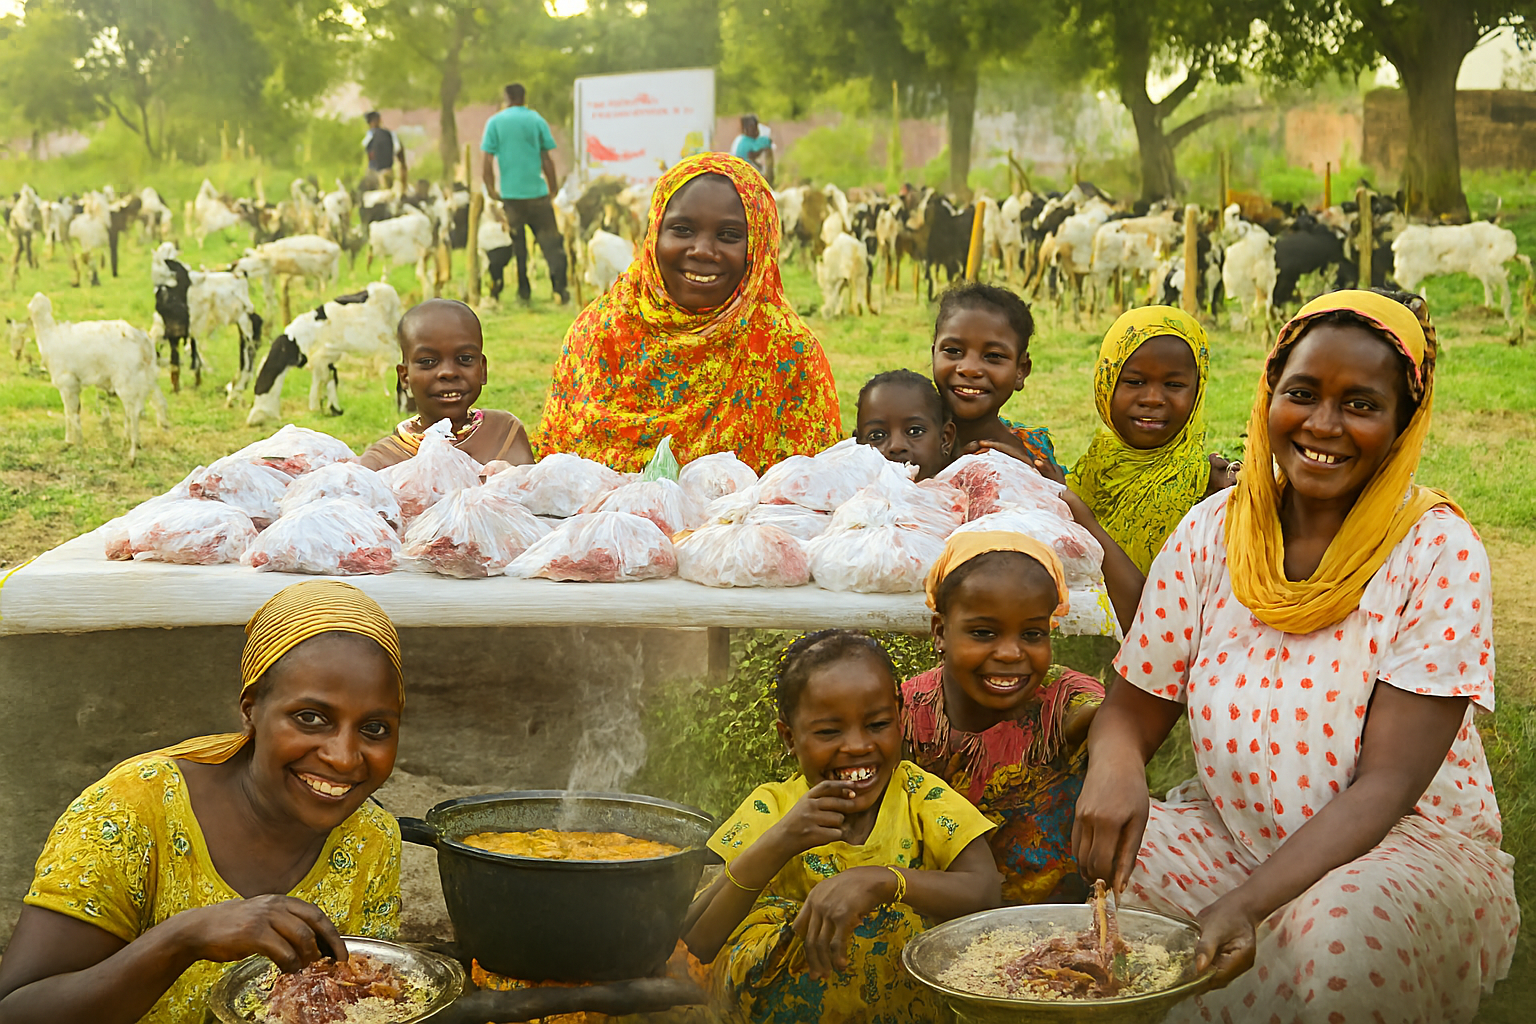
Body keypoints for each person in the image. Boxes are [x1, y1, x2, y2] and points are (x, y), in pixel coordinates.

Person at [1072, 290, 1518, 1022]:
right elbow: (1131, 708)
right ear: (1268, 395)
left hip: (1395, 851)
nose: (1323, 426)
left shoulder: (1436, 551)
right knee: (1109, 876)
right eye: (1302, 394)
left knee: (1342, 941)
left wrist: (1247, 905)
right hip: (1232, 831)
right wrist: (1116, 770)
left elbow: (1388, 785)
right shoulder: (1213, 532)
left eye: (1361, 405)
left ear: (1405, 423)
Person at [0, 581, 405, 1024]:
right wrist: (183, 938)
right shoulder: (133, 811)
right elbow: (17, 1010)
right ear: (250, 710)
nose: (343, 757)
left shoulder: (370, 838)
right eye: (310, 718)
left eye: (375, 728)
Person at [683, 631, 1000, 1023]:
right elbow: (695, 941)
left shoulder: (919, 796)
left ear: (900, 719)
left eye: (877, 724)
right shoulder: (776, 808)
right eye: (829, 732)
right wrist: (780, 842)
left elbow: (987, 891)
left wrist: (885, 881)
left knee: (894, 921)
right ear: (790, 738)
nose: (856, 746)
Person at [537, 152, 841, 473]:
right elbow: (556, 473)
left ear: (760, 246)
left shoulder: (787, 354)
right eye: (682, 230)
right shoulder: (601, 334)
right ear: (655, 231)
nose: (702, 251)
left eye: (729, 236)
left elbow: (815, 492)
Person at [904, 532, 1105, 906]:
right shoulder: (907, 713)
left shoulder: (1061, 700)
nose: (1011, 653)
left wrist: (1116, 765)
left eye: (1032, 633)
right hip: (938, 923)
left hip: (1059, 922)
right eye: (983, 632)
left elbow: (1116, 720)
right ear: (940, 632)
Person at [1068, 307, 1238, 575]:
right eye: (1135, 382)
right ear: (1106, 383)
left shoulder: (1209, 490)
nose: (1153, 398)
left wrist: (1081, 516)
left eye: (1174, 385)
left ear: (1197, 390)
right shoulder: (1095, 467)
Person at [358, 299, 534, 470]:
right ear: (405, 377)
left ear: (482, 369)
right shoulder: (383, 461)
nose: (448, 373)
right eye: (428, 362)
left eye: (464, 359)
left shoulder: (502, 432)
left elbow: (530, 494)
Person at [930, 282, 1060, 471]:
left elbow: (1058, 498)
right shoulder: (905, 441)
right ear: (934, 354)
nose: (970, 369)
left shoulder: (1033, 451)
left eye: (993, 356)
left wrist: (1049, 485)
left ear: (1021, 370)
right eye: (953, 350)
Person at [480, 83, 568, 305]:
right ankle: (560, 290)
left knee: (518, 247)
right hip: (537, 195)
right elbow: (546, 158)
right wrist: (553, 187)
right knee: (551, 244)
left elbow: (487, 160)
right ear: (523, 97)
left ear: (506, 97)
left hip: (511, 197)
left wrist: (491, 188)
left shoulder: (495, 122)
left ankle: (523, 292)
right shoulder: (536, 120)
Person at [853, 369, 954, 481]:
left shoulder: (965, 493)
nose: (896, 446)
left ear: (945, 439)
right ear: (857, 447)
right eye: (877, 436)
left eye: (914, 431)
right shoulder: (843, 496)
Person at [362, 111, 406, 188]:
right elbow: (398, 150)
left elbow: (362, 149)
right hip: (388, 171)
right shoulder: (390, 134)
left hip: (374, 173)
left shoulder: (369, 135)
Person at [730, 115, 774, 184]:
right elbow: (752, 155)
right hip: (744, 169)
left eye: (756, 128)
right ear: (746, 129)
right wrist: (763, 149)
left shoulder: (743, 140)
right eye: (753, 128)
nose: (755, 131)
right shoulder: (747, 142)